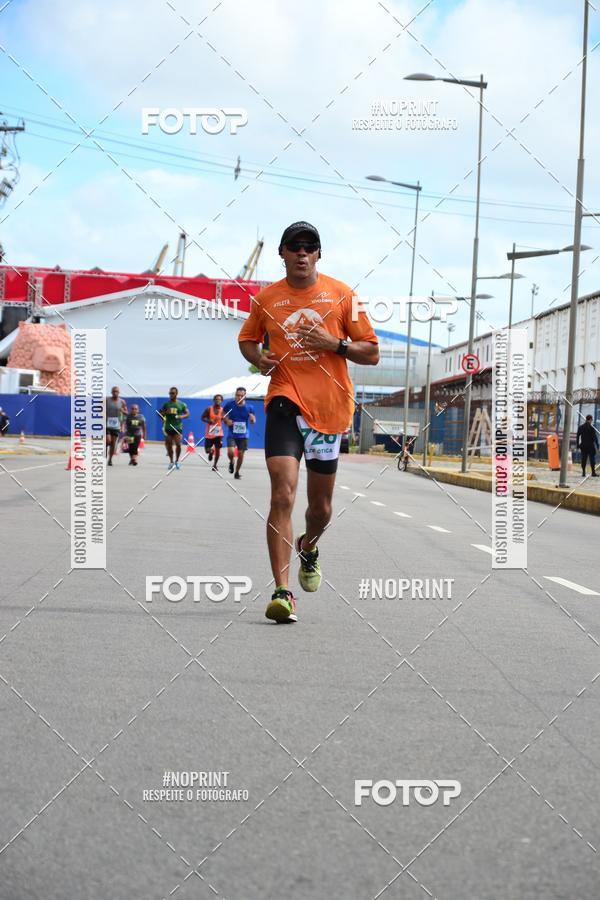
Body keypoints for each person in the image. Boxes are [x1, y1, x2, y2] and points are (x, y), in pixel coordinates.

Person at [238, 221, 379, 623]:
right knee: (282, 494)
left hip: (329, 409)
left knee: (320, 508)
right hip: (284, 399)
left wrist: (333, 344)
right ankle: (283, 592)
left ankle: (309, 545)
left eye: (309, 247)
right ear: (281, 254)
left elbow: (371, 353)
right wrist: (257, 358)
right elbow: (248, 339)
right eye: (294, 246)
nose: (302, 253)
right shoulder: (266, 299)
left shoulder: (343, 295)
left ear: (319, 254)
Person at [223, 387, 256, 480]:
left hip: (244, 434)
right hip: (232, 433)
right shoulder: (230, 404)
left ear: (245, 396)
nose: (239, 397)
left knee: (241, 454)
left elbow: (253, 420)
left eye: (242, 395)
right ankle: (231, 461)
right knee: (231, 452)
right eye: (238, 395)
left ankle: (237, 472)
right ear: (235, 395)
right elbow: (223, 414)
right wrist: (226, 420)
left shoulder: (250, 407)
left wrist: (252, 420)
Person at [159, 387, 190, 471]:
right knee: (169, 445)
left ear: (176, 394)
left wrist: (181, 416)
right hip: (168, 427)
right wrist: (165, 413)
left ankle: (177, 461)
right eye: (170, 393)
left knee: (178, 444)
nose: (171, 395)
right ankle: (171, 461)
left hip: (177, 427)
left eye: (172, 393)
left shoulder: (181, 404)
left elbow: (187, 413)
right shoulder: (166, 404)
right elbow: (160, 414)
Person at [201, 393, 225, 471]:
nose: (218, 401)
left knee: (218, 449)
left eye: (219, 399)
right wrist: (208, 420)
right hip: (209, 433)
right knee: (207, 450)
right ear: (214, 400)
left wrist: (227, 421)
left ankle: (215, 465)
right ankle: (211, 451)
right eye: (216, 399)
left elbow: (225, 419)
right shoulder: (209, 409)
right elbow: (202, 417)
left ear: (221, 401)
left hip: (219, 433)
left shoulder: (222, 410)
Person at [106, 386, 127, 466]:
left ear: (119, 393)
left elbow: (126, 413)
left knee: (113, 443)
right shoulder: (107, 400)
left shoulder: (122, 402)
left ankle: (110, 460)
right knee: (108, 440)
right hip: (107, 424)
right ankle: (105, 447)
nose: (115, 393)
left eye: (117, 392)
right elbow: (99, 408)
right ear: (111, 392)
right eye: (114, 391)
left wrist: (123, 425)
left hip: (116, 424)